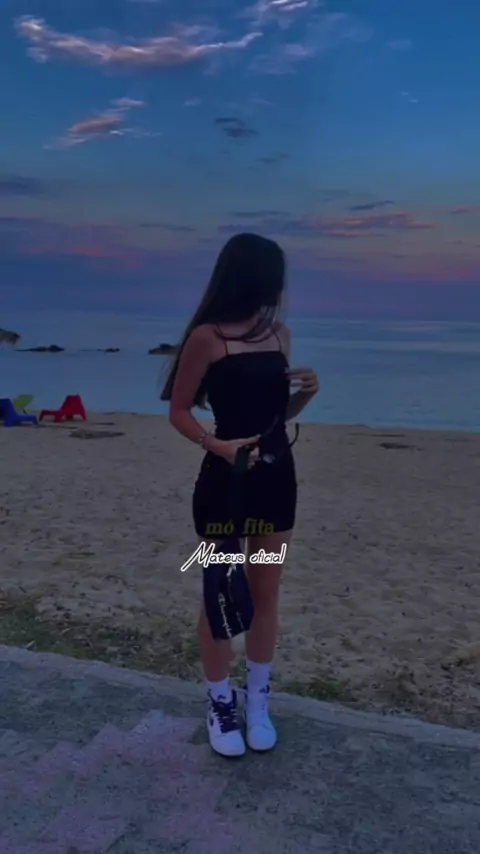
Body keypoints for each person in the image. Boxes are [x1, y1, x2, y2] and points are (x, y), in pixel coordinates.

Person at [161, 233, 319, 757]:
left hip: (274, 481)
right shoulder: (207, 338)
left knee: (265, 589)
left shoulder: (279, 336)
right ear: (256, 276)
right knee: (221, 588)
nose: (280, 287)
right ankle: (220, 702)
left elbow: (275, 418)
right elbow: (179, 410)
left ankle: (257, 701)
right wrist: (217, 445)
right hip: (224, 484)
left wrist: (306, 396)